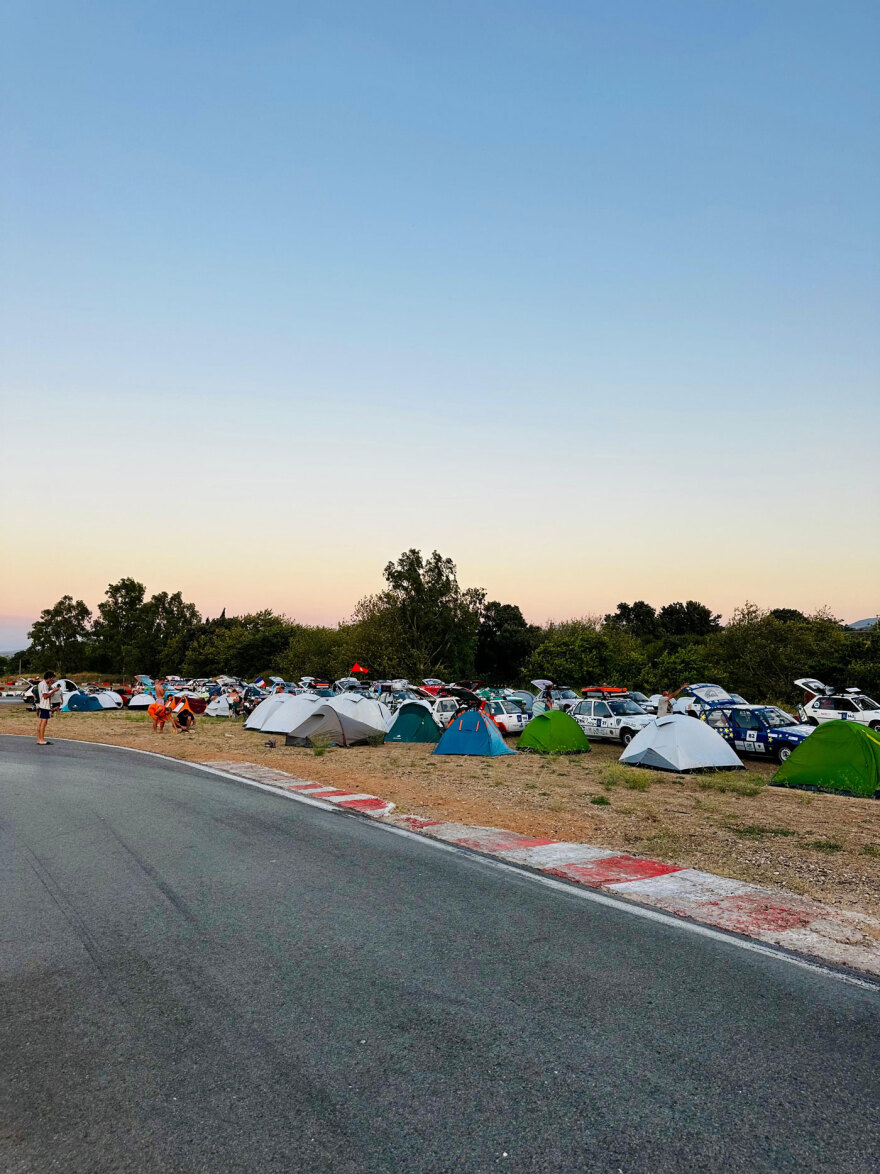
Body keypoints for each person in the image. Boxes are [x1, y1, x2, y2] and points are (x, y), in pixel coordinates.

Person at [36, 670, 58, 745]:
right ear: (50, 678)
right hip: (44, 705)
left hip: (44, 705)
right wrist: (53, 691)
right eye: (53, 678)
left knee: (42, 723)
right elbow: (45, 696)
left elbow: (46, 692)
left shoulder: (43, 684)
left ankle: (39, 739)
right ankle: (41, 739)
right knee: (43, 723)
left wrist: (50, 686)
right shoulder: (43, 684)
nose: (54, 679)